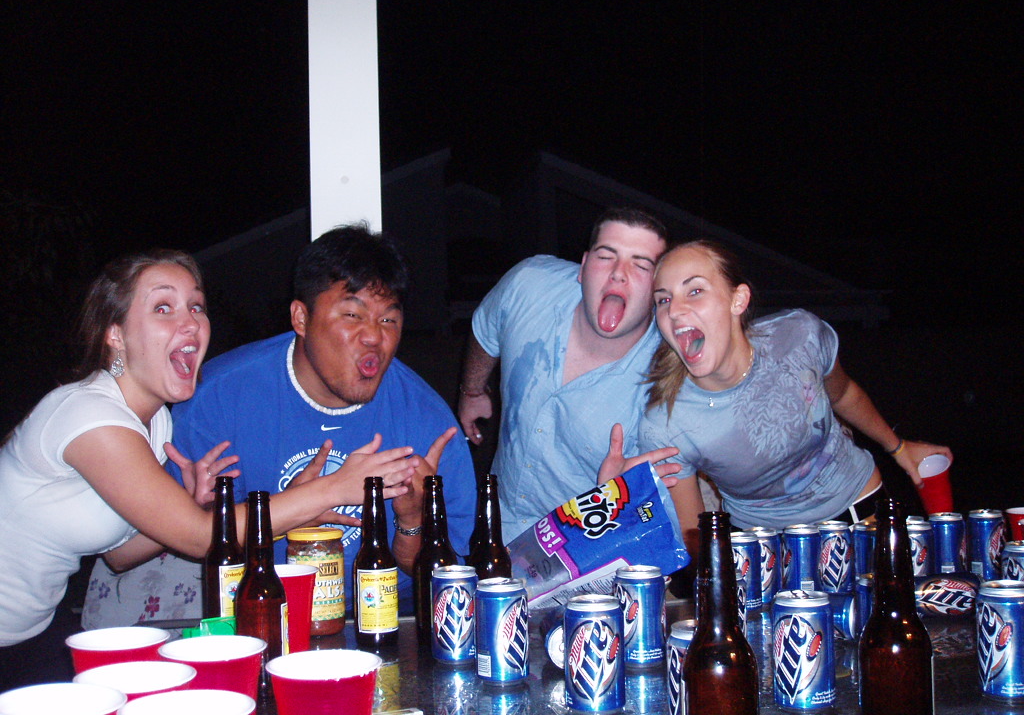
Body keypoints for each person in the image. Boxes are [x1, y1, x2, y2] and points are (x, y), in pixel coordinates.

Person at [0, 249, 417, 692]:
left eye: (196, 307)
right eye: (163, 308)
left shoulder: (154, 422)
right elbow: (202, 539)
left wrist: (192, 503)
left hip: (30, 631)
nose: (190, 323)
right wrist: (333, 489)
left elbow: (119, 554)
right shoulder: (91, 417)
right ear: (115, 334)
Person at [84, 224, 475, 626]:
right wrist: (297, 507)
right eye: (352, 315)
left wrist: (412, 522)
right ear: (301, 317)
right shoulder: (217, 399)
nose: (373, 337)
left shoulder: (426, 421)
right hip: (256, 613)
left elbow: (446, 585)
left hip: (381, 623)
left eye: (389, 320)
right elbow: (142, 547)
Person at [615, 239, 952, 551]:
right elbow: (696, 537)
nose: (674, 311)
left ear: (738, 300)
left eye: (695, 290)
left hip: (861, 511)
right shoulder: (666, 424)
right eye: (663, 300)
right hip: (769, 551)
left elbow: (844, 393)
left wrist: (899, 448)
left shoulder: (798, 336)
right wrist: (623, 502)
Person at [459, 207, 678, 539]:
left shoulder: (666, 383)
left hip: (584, 548)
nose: (618, 274)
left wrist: (625, 496)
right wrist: (472, 390)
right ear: (584, 266)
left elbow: (668, 529)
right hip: (498, 527)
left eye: (641, 264)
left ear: (659, 290)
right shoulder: (528, 285)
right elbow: (486, 327)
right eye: (606, 256)